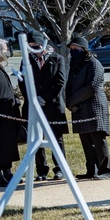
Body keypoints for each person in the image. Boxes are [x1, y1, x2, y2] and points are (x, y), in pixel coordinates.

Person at [19, 40, 68, 181]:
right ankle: (41, 170)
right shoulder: (27, 60)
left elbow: (60, 81)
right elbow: (22, 81)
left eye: (37, 46)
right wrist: (33, 99)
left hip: (52, 105)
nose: (35, 49)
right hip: (33, 105)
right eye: (32, 46)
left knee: (56, 138)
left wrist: (45, 98)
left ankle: (60, 169)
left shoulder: (57, 58)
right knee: (36, 138)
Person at [65, 35, 110, 180]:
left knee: (98, 140)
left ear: (84, 49)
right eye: (71, 48)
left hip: (94, 106)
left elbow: (92, 87)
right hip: (79, 108)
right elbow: (69, 86)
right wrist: (70, 103)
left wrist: (72, 100)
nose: (73, 51)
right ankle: (91, 170)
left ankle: (105, 171)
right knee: (85, 140)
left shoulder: (93, 63)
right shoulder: (74, 64)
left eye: (76, 48)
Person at [0, 37, 21, 187]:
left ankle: (8, 172)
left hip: (8, 114)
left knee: (8, 145)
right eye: (4, 49)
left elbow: (6, 88)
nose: (6, 52)